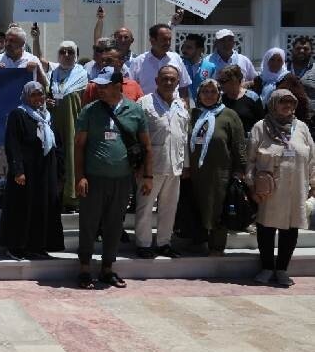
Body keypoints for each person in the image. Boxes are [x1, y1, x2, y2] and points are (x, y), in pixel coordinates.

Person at [74, 71, 152, 289]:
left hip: (122, 180)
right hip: (94, 180)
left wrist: (147, 176)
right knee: (88, 224)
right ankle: (84, 269)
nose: (99, 89)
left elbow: (146, 145)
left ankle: (108, 268)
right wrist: (79, 177)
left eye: (104, 85)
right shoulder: (90, 111)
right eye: (97, 85)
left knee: (114, 225)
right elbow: (79, 146)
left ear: (118, 86)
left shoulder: (135, 110)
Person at [246, 89, 314, 287]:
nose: (288, 106)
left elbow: (312, 158)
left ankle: (282, 269)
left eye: (291, 103)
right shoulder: (261, 127)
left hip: (296, 189)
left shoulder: (301, 127)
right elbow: (250, 159)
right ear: (273, 103)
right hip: (269, 189)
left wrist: (314, 184)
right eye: (283, 102)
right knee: (266, 228)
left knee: (290, 229)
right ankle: (267, 268)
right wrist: (251, 185)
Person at [0, 81, 64, 260]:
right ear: (26, 96)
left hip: (46, 170)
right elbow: (13, 144)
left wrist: (59, 173)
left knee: (43, 207)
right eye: (33, 94)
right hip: (26, 172)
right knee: (21, 207)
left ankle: (38, 246)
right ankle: (15, 246)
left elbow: (57, 145)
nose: (38, 98)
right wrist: (18, 170)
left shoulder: (48, 117)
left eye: (40, 94)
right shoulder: (18, 115)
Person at [134, 65, 189, 258]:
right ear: (156, 80)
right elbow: (136, 137)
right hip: (151, 167)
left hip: (175, 165)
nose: (168, 82)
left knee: (169, 208)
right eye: (164, 79)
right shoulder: (144, 103)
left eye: (172, 79)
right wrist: (139, 166)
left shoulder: (181, 104)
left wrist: (186, 165)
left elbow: (184, 136)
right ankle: (143, 244)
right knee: (145, 207)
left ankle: (164, 242)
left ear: (177, 82)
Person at [188, 79, 246, 256]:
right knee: (197, 206)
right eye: (205, 91)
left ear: (219, 94)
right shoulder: (193, 114)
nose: (209, 95)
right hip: (196, 173)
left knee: (218, 208)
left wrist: (240, 169)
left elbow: (239, 144)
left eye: (213, 92)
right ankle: (198, 242)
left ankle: (217, 246)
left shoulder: (229, 115)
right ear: (199, 94)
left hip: (220, 172)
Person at [41, 41, 88, 212]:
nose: (66, 55)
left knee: (72, 158)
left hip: (74, 125)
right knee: (55, 160)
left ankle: (72, 198)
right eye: (63, 52)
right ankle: (56, 196)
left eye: (70, 52)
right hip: (54, 124)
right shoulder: (53, 75)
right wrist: (47, 101)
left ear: (76, 55)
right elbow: (46, 95)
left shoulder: (82, 75)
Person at [129, 24, 190, 97]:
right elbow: (131, 88)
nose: (168, 43)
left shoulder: (176, 58)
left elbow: (184, 87)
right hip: (146, 107)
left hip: (172, 106)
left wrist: (186, 106)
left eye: (169, 39)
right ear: (152, 41)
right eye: (164, 39)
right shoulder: (138, 62)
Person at [218, 65, 265, 137]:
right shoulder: (220, 100)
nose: (219, 84)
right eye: (219, 81)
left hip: (248, 142)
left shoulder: (252, 97)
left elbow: (261, 123)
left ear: (235, 80)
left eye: (223, 81)